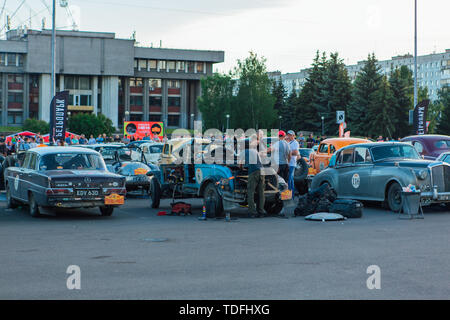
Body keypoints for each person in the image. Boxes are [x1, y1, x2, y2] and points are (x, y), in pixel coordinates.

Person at [239, 135, 266, 218]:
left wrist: (242, 168)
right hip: (262, 171)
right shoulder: (255, 151)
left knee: (250, 192)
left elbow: (240, 163)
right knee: (261, 192)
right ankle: (261, 211)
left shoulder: (245, 151)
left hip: (253, 172)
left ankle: (252, 212)